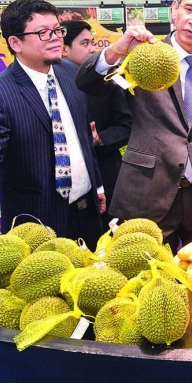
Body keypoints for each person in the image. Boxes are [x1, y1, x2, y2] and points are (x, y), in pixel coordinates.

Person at [76, 0, 192, 248]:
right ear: (174, 9)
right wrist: (119, 50)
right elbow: (88, 85)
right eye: (189, 9)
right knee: (145, 280)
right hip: (146, 192)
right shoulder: (143, 55)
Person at [0, 0, 105, 241]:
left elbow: (83, 136)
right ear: (15, 42)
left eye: (57, 30)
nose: (56, 37)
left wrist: (95, 184)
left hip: (86, 211)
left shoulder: (69, 72)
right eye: (43, 33)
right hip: (35, 221)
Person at [61, 20, 132, 235]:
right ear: (64, 50)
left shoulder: (111, 80)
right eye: (84, 43)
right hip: (64, 187)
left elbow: (127, 125)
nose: (92, 48)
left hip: (108, 180)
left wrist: (99, 140)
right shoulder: (51, 84)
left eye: (92, 42)